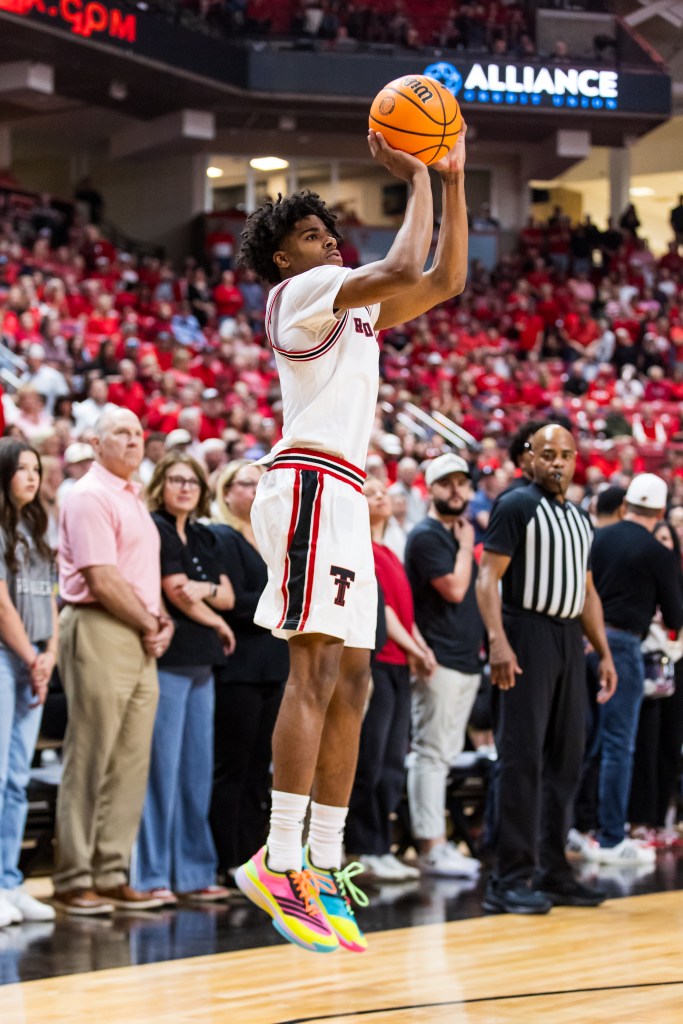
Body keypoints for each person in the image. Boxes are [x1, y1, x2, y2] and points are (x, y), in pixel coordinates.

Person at [233, 123, 469, 954]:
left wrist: (455, 177)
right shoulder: (298, 296)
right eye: (309, 235)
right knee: (315, 669)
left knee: (358, 682)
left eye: (328, 231)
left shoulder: (350, 304)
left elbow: (444, 278)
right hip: (303, 481)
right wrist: (413, 173)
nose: (327, 240)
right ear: (284, 263)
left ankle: (326, 863)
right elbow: (405, 265)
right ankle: (278, 857)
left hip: (343, 489)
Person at [476, 424, 617, 914]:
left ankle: (554, 870)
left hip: (566, 640)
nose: (557, 463)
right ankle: (508, 877)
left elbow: (587, 591)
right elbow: (487, 578)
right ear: (528, 459)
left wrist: (603, 652)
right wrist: (498, 641)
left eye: (566, 455)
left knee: (565, 759)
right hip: (525, 633)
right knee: (521, 760)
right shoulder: (516, 505)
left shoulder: (580, 518)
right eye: (547, 454)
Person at [53, 408, 174, 915]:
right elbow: (101, 578)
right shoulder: (87, 496)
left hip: (140, 631)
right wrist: (152, 623)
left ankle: (110, 871)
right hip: (100, 624)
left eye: (138, 433)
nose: (132, 441)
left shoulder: (134, 498)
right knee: (92, 752)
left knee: (130, 759)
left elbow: (143, 574)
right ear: (95, 443)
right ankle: (73, 877)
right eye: (120, 433)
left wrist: (161, 620)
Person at [133, 453, 236, 904]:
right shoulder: (153, 526)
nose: (185, 487)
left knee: (196, 772)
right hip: (170, 660)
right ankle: (152, 875)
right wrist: (216, 620)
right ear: (160, 484)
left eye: (192, 481)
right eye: (175, 479)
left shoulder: (202, 534)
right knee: (162, 772)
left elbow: (228, 594)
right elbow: (176, 590)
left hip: (202, 665)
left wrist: (207, 597)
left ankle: (194, 872)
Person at [585, 473, 683, 864]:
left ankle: (580, 827)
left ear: (626, 505)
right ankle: (611, 838)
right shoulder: (658, 553)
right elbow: (675, 614)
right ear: (660, 511)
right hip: (622, 646)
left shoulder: (598, 536)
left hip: (582, 641)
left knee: (586, 741)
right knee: (618, 745)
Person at [345, 477, 433, 882]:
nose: (380, 496)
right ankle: (364, 847)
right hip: (376, 659)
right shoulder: (360, 550)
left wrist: (419, 648)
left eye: (383, 492)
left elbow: (405, 613)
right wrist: (416, 649)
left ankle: (381, 845)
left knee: (393, 763)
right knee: (371, 761)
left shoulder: (390, 552)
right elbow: (385, 615)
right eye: (370, 493)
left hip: (398, 662)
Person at [403, 453, 484, 878]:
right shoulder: (427, 536)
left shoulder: (457, 535)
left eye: (462, 483)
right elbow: (453, 589)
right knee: (431, 754)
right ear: (430, 489)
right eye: (446, 483)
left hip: (465, 659)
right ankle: (430, 845)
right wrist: (469, 546)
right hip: (437, 657)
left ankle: (438, 840)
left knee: (445, 755)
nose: (456, 491)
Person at [208, 460, 289, 878]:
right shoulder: (221, 535)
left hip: (273, 666)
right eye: (246, 484)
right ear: (226, 492)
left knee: (260, 768)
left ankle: (254, 860)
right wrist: (272, 605)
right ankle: (226, 859)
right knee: (233, 768)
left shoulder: (272, 537)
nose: (256, 490)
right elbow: (233, 601)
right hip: (238, 666)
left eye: (262, 483)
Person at [0, 439, 58, 928]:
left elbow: (51, 600)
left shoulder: (38, 529)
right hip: (8, 656)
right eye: (22, 469)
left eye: (36, 468)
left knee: (18, 777)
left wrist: (50, 654)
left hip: (36, 655)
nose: (32, 476)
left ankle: (10, 882)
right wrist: (32, 657)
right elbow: (1, 604)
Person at [628, 520, 683, 844]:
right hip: (644, 657)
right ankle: (638, 821)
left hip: (676, 660)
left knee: (670, 745)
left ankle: (663, 820)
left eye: (668, 538)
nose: (663, 543)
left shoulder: (677, 576)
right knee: (645, 744)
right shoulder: (640, 575)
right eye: (658, 537)